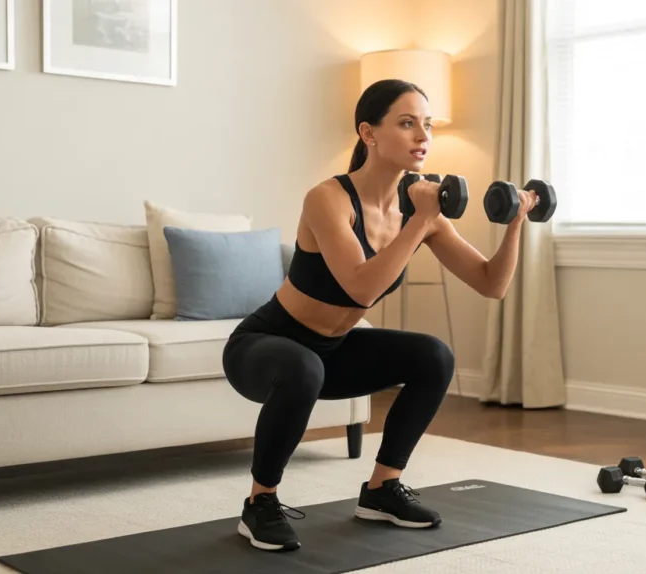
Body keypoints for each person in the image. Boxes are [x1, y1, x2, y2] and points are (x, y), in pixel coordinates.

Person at [222, 78, 539, 552]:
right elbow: (362, 286)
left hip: (333, 352)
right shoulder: (327, 198)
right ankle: (260, 503)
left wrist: (516, 222)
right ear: (368, 133)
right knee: (302, 366)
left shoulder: (421, 207)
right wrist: (420, 220)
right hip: (265, 347)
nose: (422, 136)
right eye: (407, 123)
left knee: (433, 356)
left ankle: (381, 490)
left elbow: (492, 284)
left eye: (427, 125)